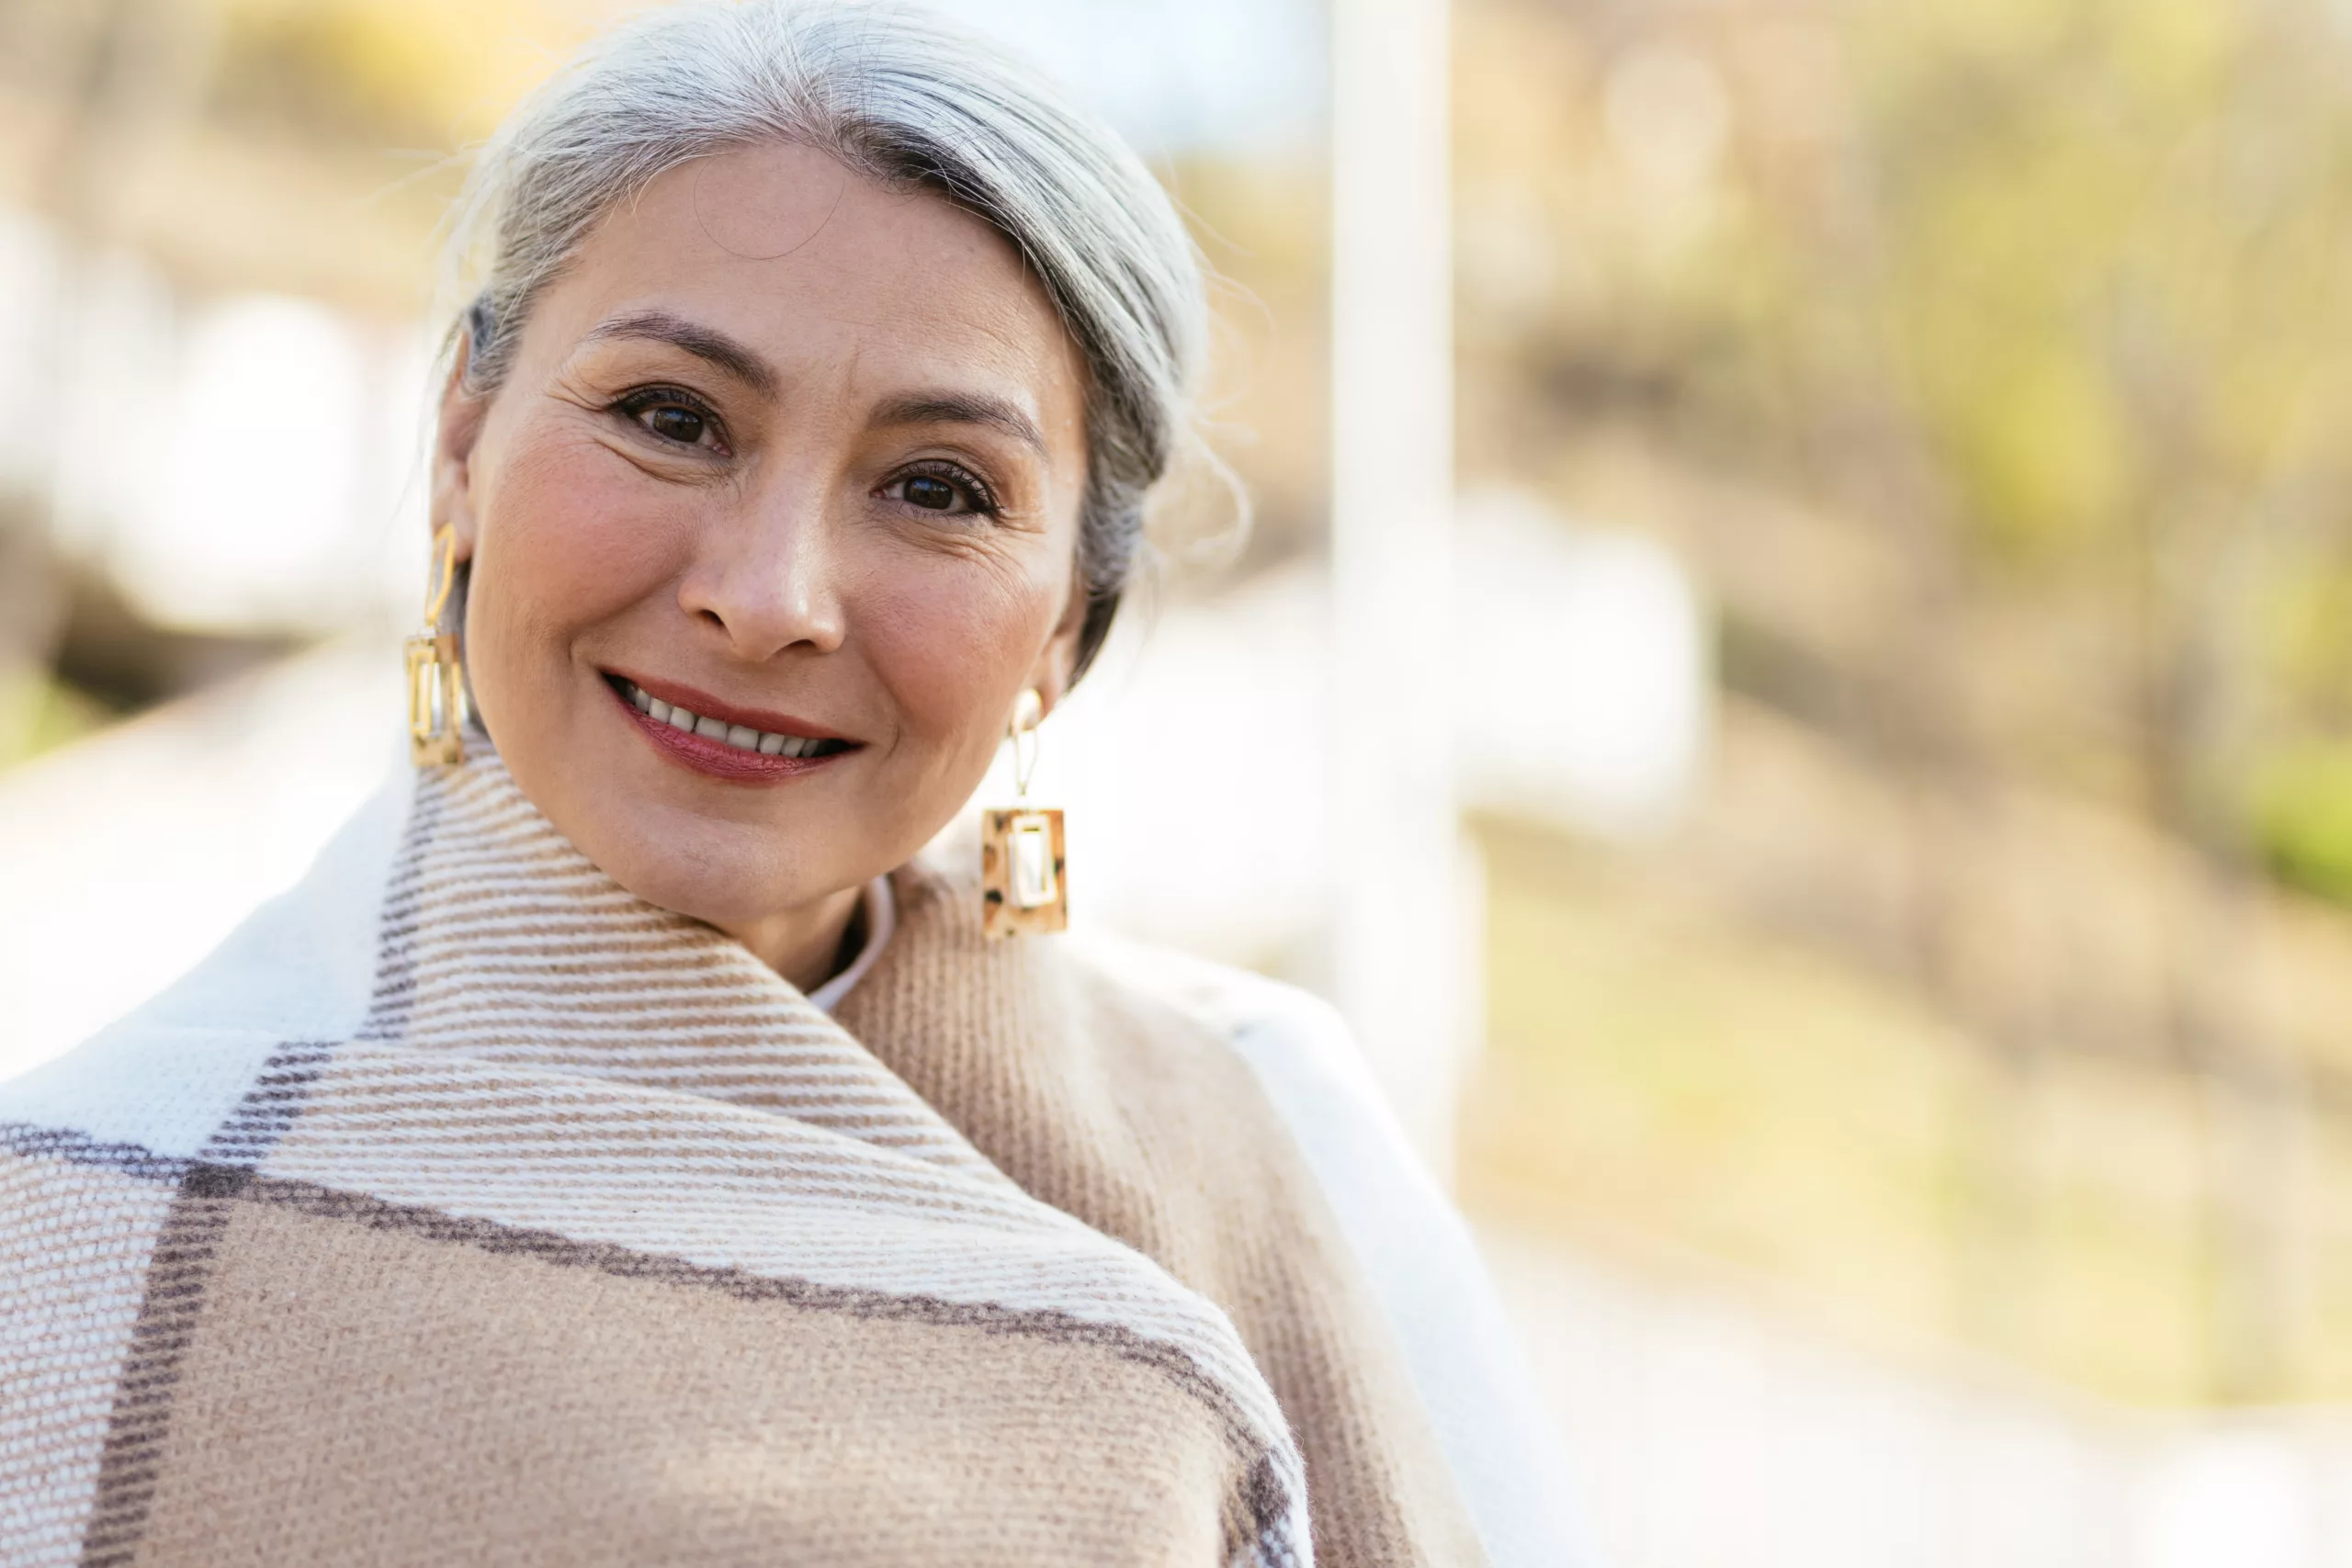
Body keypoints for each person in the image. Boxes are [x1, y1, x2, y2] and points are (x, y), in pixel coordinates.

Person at [0, 5, 1579, 1563]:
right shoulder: (76, 1211)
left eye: (939, 489)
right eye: (671, 419)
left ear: (1068, 626)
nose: (771, 597)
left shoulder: (1278, 1142)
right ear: (462, 443)